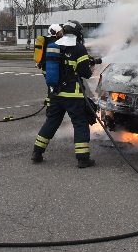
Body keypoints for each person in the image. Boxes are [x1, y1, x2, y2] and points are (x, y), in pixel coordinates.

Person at [32, 20, 96, 168]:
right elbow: (85, 73)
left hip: (55, 94)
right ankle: (83, 159)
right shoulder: (79, 48)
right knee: (80, 123)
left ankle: (37, 152)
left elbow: (49, 70)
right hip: (73, 96)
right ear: (77, 34)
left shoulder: (53, 46)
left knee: (51, 122)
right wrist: (90, 65)